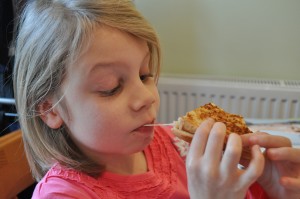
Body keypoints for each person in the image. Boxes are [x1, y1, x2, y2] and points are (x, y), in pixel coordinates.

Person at [13, 0, 300, 198]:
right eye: (111, 87)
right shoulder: (64, 195)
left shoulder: (177, 146)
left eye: (145, 74)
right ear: (50, 109)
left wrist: (270, 189)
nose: (146, 98)